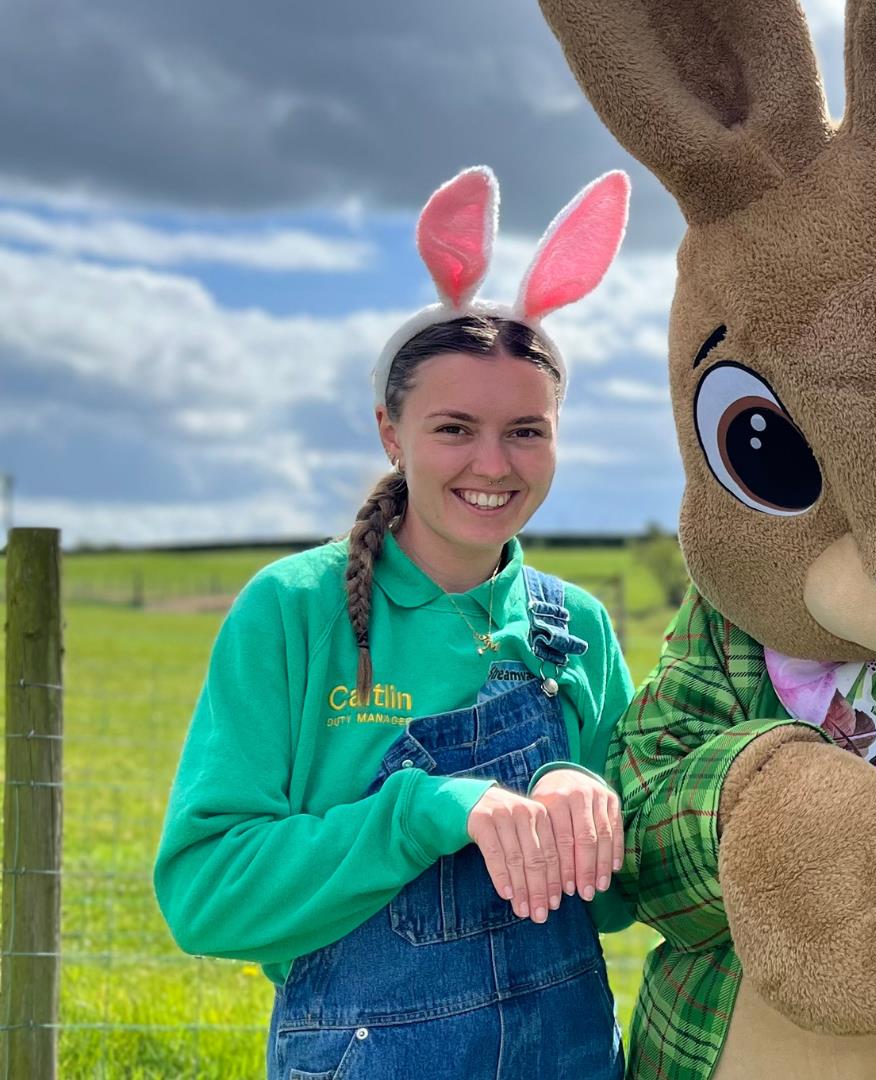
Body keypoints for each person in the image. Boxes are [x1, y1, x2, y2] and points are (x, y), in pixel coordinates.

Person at [154, 167, 635, 1079]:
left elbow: (615, 909)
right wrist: (421, 814)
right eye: (454, 428)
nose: (494, 463)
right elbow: (206, 893)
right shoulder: (296, 611)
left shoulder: (578, 629)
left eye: (527, 431)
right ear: (390, 432)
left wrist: (590, 801)